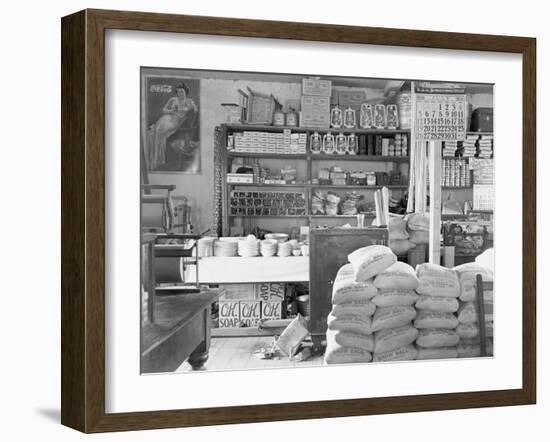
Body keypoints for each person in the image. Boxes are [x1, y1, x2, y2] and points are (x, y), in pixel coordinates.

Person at [149, 82, 198, 169]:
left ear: (185, 92)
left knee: (161, 132)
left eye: (181, 92)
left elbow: (195, 112)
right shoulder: (173, 100)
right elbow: (163, 109)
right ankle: (156, 157)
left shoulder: (190, 101)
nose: (180, 94)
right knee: (157, 131)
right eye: (178, 92)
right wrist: (171, 111)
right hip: (168, 118)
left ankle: (158, 157)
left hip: (178, 122)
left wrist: (191, 110)